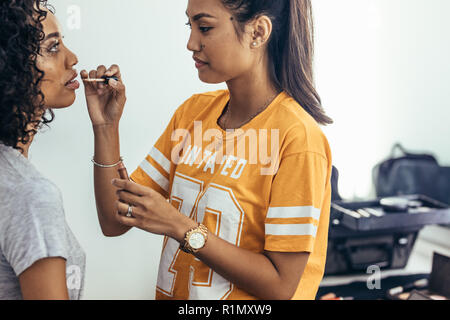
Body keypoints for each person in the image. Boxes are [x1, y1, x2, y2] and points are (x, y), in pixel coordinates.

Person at [83, 0, 332, 300]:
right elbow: (114, 219)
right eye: (190, 26)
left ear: (258, 32)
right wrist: (106, 128)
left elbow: (280, 287)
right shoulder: (191, 116)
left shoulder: (298, 138)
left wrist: (181, 227)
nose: (191, 43)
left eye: (205, 28)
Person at [0, 0, 85, 300]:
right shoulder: (30, 195)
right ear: (12, 68)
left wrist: (105, 128)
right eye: (52, 48)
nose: (72, 58)